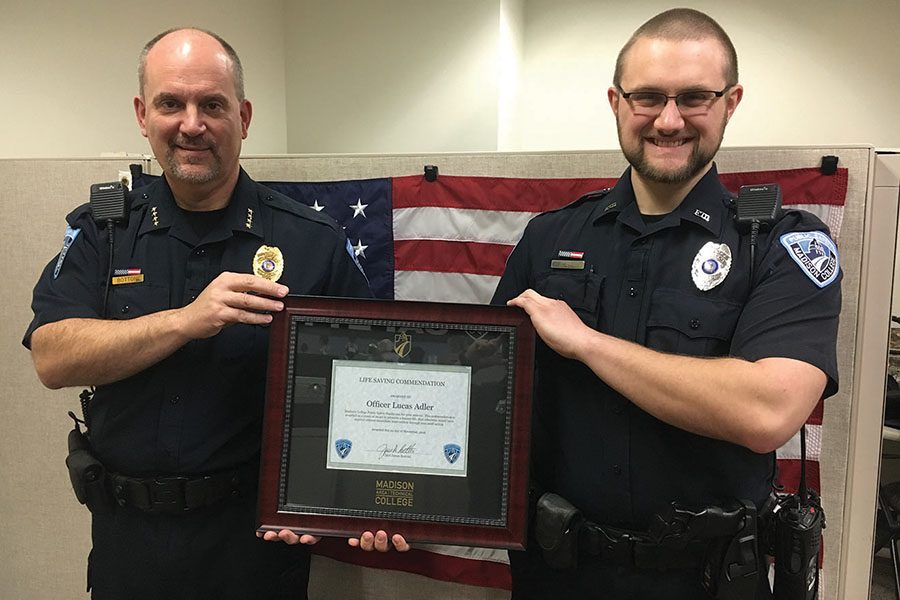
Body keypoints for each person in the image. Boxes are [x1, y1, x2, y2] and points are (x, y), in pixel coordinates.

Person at [23, 28, 405, 600]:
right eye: (170, 103)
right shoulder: (104, 231)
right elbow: (52, 357)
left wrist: (383, 498)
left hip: (252, 549)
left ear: (245, 116)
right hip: (130, 544)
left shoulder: (311, 242)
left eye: (213, 104)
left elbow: (379, 380)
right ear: (141, 114)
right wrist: (185, 320)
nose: (191, 123)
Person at [492, 9, 841, 600]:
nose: (669, 120)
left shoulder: (783, 246)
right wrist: (393, 500)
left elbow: (767, 412)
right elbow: (488, 391)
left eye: (694, 98)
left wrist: (587, 343)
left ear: (730, 102)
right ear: (616, 102)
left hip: (708, 580)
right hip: (560, 573)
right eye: (648, 97)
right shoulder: (549, 238)